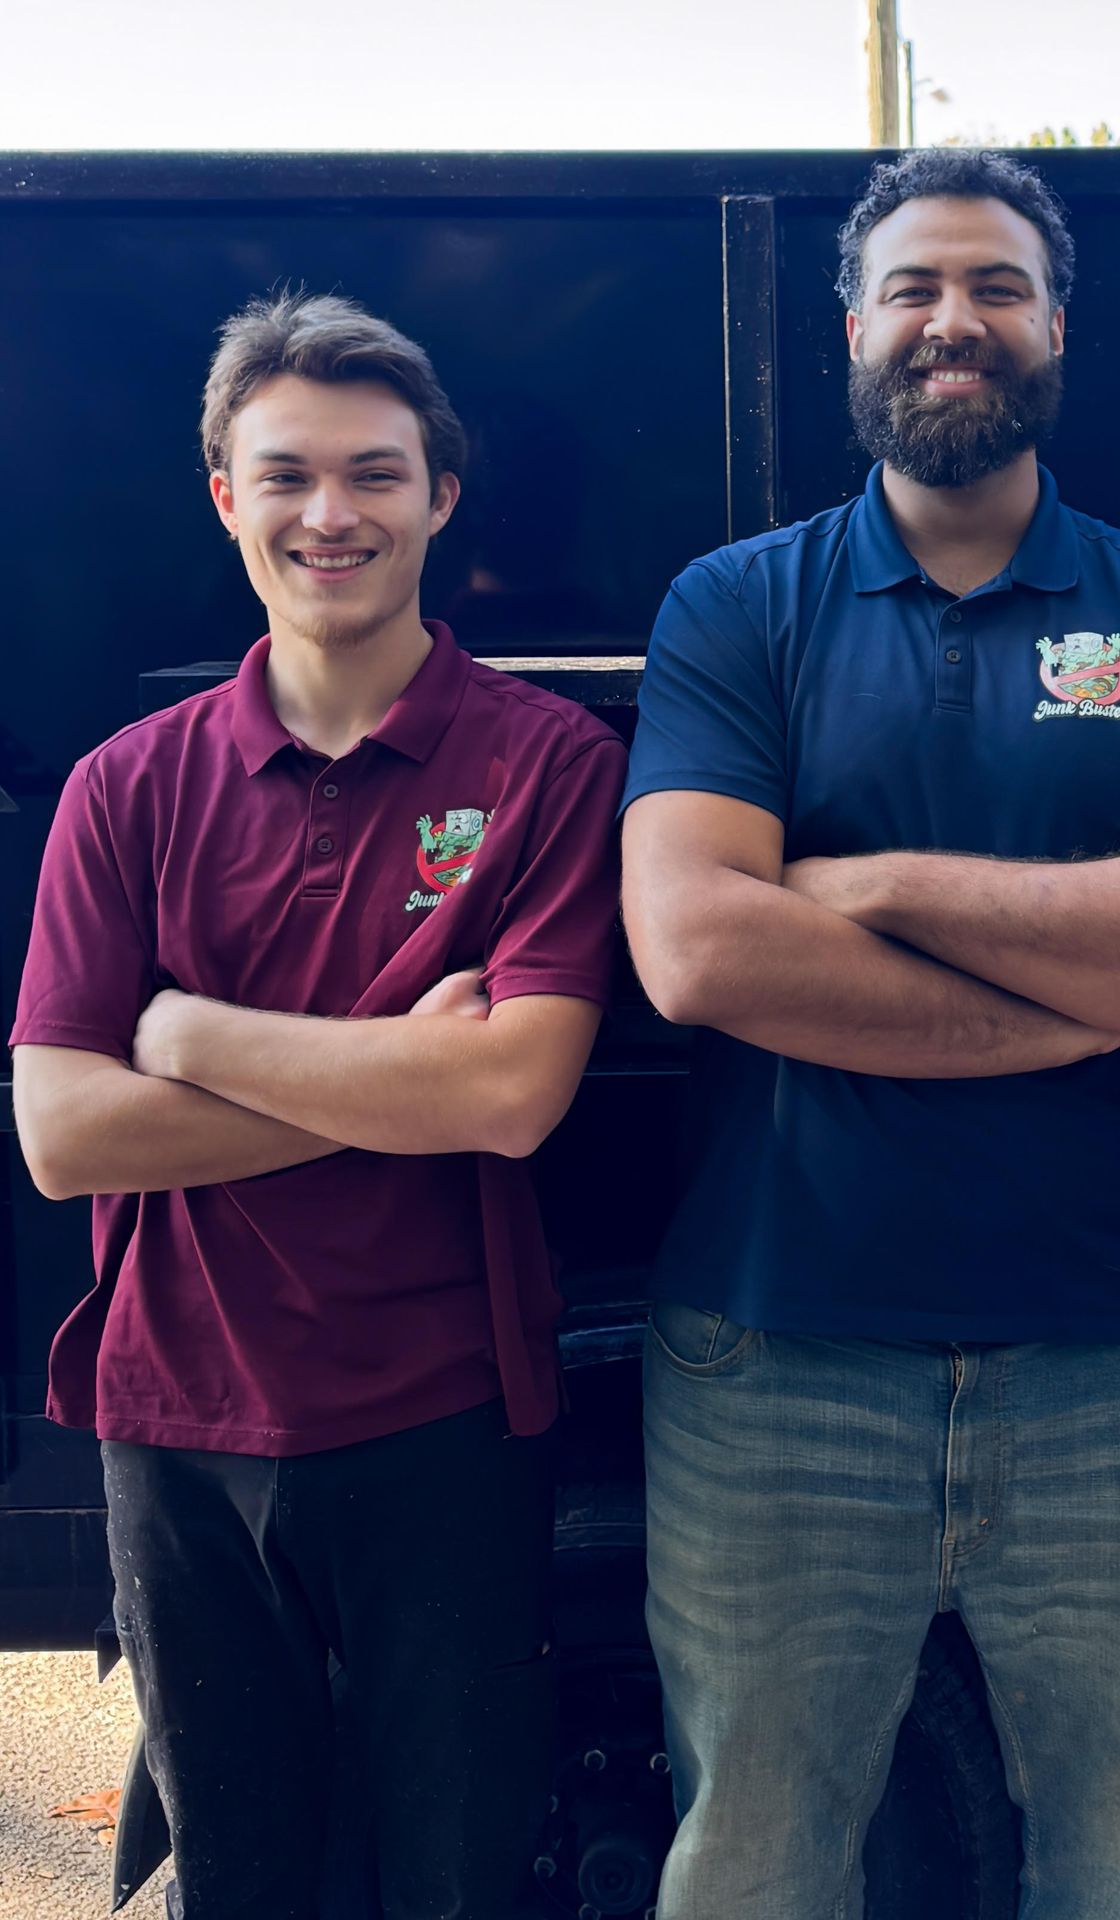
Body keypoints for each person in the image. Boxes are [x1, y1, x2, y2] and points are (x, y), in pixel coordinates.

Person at [621, 148, 1120, 1919]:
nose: (957, 321)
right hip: (777, 1361)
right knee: (755, 1874)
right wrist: (1091, 989)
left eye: (997, 287)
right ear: (853, 326)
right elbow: (700, 948)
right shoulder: (735, 605)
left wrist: (862, 888)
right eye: (918, 288)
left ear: (1055, 326)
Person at [10, 291, 624, 1920]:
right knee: (244, 1882)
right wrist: (392, 1076)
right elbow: (66, 1131)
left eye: (375, 473)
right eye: (286, 475)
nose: (330, 515)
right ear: (226, 495)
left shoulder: (551, 761)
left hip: (444, 1414)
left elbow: (511, 1095)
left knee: (461, 1877)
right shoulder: (124, 786)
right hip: (176, 1417)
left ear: (443, 496)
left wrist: (188, 1032)